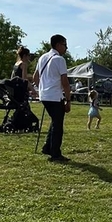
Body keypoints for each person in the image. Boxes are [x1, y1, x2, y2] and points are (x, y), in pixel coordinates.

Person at [33, 34, 71, 162]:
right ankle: (55, 154)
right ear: (58, 45)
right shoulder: (59, 60)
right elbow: (65, 82)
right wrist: (68, 100)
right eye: (65, 45)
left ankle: (47, 147)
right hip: (55, 96)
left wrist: (42, 88)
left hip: (44, 95)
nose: (66, 48)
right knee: (58, 125)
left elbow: (35, 77)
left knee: (55, 121)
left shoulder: (42, 57)